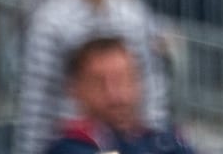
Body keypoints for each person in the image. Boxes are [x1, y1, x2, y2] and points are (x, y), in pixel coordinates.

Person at [17, 0, 169, 154]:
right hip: (73, 140)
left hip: (129, 137)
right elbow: (39, 98)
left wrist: (154, 139)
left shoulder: (133, 13)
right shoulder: (51, 20)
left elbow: (149, 82)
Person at [42, 37, 194, 154]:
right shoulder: (73, 145)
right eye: (100, 83)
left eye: (122, 80)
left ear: (138, 81)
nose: (115, 95)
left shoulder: (163, 140)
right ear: (76, 89)